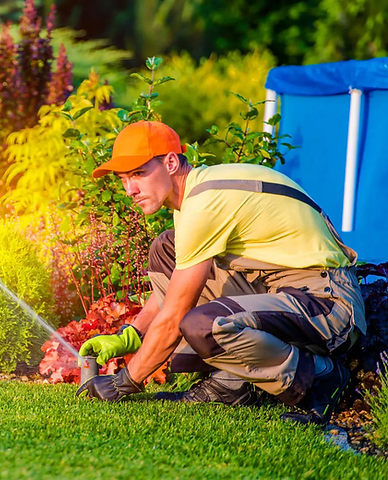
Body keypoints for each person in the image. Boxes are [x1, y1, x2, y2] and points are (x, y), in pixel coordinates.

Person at [76, 121, 365, 425]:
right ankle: (231, 385)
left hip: (328, 305)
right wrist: (133, 335)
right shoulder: (196, 196)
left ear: (171, 162)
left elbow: (176, 316)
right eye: (123, 179)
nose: (130, 190)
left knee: (203, 328)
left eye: (138, 174)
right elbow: (175, 291)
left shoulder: (204, 203)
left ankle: (320, 378)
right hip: (284, 292)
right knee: (166, 250)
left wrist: (126, 382)